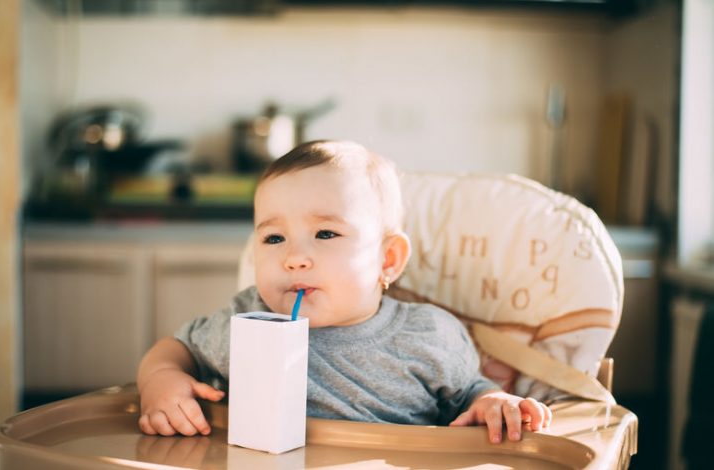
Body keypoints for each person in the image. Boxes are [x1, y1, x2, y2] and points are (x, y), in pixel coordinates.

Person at [136, 140, 552, 444]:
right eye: (274, 238)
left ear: (387, 260)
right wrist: (161, 380)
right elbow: (177, 348)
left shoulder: (429, 336)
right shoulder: (247, 320)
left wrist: (493, 403)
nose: (294, 258)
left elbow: (470, 394)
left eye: (325, 233)